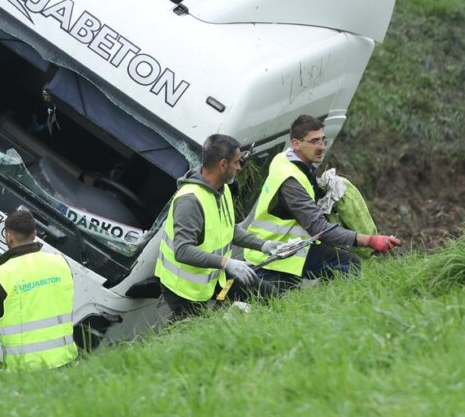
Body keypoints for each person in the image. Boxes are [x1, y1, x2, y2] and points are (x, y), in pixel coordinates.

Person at [243, 114, 400, 292]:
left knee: (278, 302)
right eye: (315, 141)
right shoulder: (290, 181)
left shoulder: (287, 160)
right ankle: (337, 307)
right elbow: (319, 228)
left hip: (287, 247)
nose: (322, 147)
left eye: (323, 140)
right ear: (296, 144)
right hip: (277, 252)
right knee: (347, 264)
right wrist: (370, 240)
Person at [155, 134, 273, 318]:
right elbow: (183, 251)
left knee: (269, 295)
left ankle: (225, 316)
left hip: (218, 280)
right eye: (237, 162)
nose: (240, 167)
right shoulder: (190, 200)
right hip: (185, 291)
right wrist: (227, 262)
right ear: (223, 164)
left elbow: (228, 229)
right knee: (196, 334)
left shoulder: (222, 189)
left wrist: (264, 245)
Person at [0, 209, 78, 369]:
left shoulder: (1, 276)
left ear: (8, 236)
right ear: (34, 234)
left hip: (26, 370)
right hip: (66, 361)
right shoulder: (60, 263)